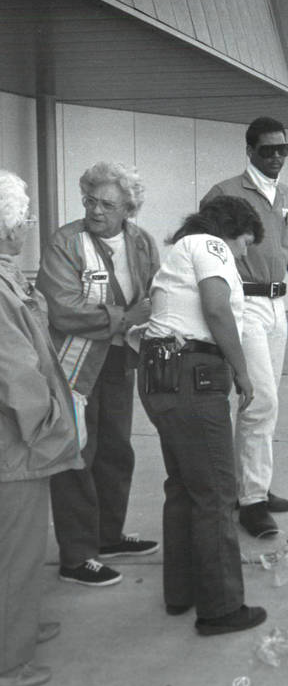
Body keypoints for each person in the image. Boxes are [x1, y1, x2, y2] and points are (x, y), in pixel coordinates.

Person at [138, 195, 268, 635]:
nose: (245, 252)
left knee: (183, 486)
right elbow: (215, 308)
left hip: (159, 370)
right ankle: (221, 608)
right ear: (233, 228)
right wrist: (242, 370)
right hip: (194, 371)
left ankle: (182, 592)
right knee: (215, 492)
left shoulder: (177, 252)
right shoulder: (210, 245)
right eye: (247, 241)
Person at [201, 116, 288, 538]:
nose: (275, 156)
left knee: (265, 401)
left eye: (282, 149)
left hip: (277, 306)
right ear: (250, 151)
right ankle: (251, 501)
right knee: (260, 400)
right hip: (244, 304)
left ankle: (253, 485)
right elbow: (207, 252)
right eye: (267, 150)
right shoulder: (225, 194)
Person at [37, 160, 160, 587]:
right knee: (77, 457)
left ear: (129, 207)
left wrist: (136, 322)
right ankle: (77, 556)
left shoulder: (141, 242)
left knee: (116, 449)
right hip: (75, 363)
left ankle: (108, 536)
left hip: (121, 360)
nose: (95, 211)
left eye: (107, 204)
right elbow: (64, 309)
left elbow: (153, 294)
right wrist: (125, 318)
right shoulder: (65, 243)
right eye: (90, 200)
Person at [0, 170, 84, 686]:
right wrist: (52, 427)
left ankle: (19, 622)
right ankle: (10, 658)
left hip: (14, 444)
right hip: (14, 448)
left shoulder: (8, 277)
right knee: (18, 551)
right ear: (8, 227)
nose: (28, 227)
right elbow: (17, 373)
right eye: (25, 218)